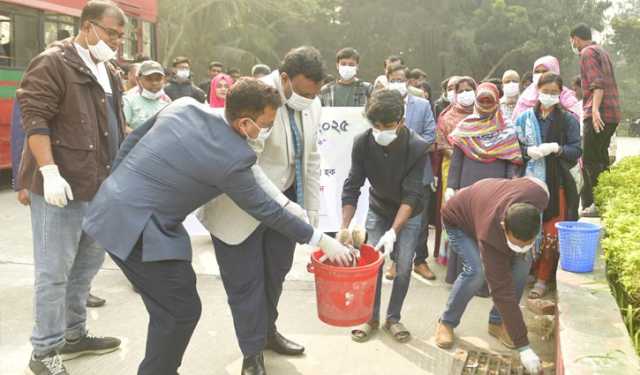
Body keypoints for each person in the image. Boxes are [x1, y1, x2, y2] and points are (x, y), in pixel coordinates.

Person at [83, 79, 353, 375]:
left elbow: (131, 143)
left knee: (173, 309)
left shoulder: (183, 107)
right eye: (266, 123)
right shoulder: (231, 157)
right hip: (138, 229)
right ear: (244, 122)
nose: (268, 128)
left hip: (117, 207)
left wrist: (118, 184)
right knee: (178, 311)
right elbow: (264, 209)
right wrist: (322, 240)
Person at [197, 46, 326, 375]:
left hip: (283, 206)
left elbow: (310, 160)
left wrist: (311, 216)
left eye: (313, 93)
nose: (308, 99)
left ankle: (268, 333)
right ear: (284, 78)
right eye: (302, 91)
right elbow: (243, 164)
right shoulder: (254, 97)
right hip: (239, 207)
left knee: (274, 275)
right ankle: (251, 353)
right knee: (245, 284)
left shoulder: (312, 104)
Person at [16, 1, 127, 373]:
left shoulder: (107, 70)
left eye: (120, 36)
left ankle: (74, 335)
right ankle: (44, 351)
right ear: (88, 26)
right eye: (111, 33)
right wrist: (47, 171)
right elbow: (35, 119)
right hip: (60, 188)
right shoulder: (53, 62)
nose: (116, 41)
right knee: (54, 273)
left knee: (84, 270)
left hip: (98, 187)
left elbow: (112, 126)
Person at [434, 177, 549, 375]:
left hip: (483, 202)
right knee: (476, 272)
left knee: (522, 264)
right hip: (458, 220)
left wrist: (523, 250)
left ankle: (497, 322)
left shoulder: (539, 195)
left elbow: (532, 182)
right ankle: (447, 322)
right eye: (517, 243)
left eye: (526, 243)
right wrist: (524, 347)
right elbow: (501, 291)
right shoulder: (490, 235)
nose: (522, 247)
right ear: (505, 226)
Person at [340, 89, 429, 344]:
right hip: (378, 208)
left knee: (402, 267)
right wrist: (344, 227)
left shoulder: (417, 147)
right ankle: (370, 317)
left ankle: (393, 317)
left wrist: (394, 231)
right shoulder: (363, 142)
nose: (380, 131)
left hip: (409, 213)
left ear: (401, 121)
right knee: (372, 265)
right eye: (375, 126)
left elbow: (412, 195)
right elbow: (352, 185)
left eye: (387, 126)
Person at [444, 82, 523, 288]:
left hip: (496, 190)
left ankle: (485, 284)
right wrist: (451, 187)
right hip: (467, 187)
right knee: (466, 232)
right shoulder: (465, 127)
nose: (486, 104)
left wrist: (510, 187)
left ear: (497, 101)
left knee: (490, 234)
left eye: (490, 101)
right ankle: (463, 279)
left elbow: (511, 162)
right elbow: (457, 161)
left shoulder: (507, 128)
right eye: (482, 100)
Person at [515, 72, 582, 299]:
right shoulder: (525, 118)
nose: (549, 96)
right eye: (546, 92)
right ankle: (529, 271)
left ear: (560, 93)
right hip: (529, 182)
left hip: (557, 183)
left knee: (551, 231)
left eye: (554, 93)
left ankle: (543, 278)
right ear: (537, 91)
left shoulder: (568, 119)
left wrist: (557, 148)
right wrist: (527, 152)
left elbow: (576, 150)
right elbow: (513, 148)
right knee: (528, 225)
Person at [383, 63, 437, 281]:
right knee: (394, 218)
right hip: (391, 175)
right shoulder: (382, 104)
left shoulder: (423, 105)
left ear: (408, 81)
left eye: (401, 79)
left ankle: (420, 261)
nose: (398, 83)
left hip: (419, 171)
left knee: (421, 222)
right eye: (393, 79)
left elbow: (430, 135)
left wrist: (408, 148)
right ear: (388, 81)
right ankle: (395, 261)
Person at [570, 23, 621, 218]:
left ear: (575, 38)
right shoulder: (602, 51)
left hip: (599, 113)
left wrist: (595, 110)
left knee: (589, 160)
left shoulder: (587, 53)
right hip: (612, 114)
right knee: (601, 159)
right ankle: (605, 200)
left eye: (572, 41)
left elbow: (597, 84)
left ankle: (592, 203)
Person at [511, 55, 580, 122]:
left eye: (545, 71)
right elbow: (516, 124)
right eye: (537, 72)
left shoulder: (566, 96)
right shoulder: (525, 97)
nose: (541, 74)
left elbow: (576, 118)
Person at [123, 60, 171, 131]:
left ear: (163, 80)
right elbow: (123, 127)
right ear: (138, 79)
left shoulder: (167, 102)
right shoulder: (128, 99)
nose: (154, 83)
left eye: (158, 79)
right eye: (149, 79)